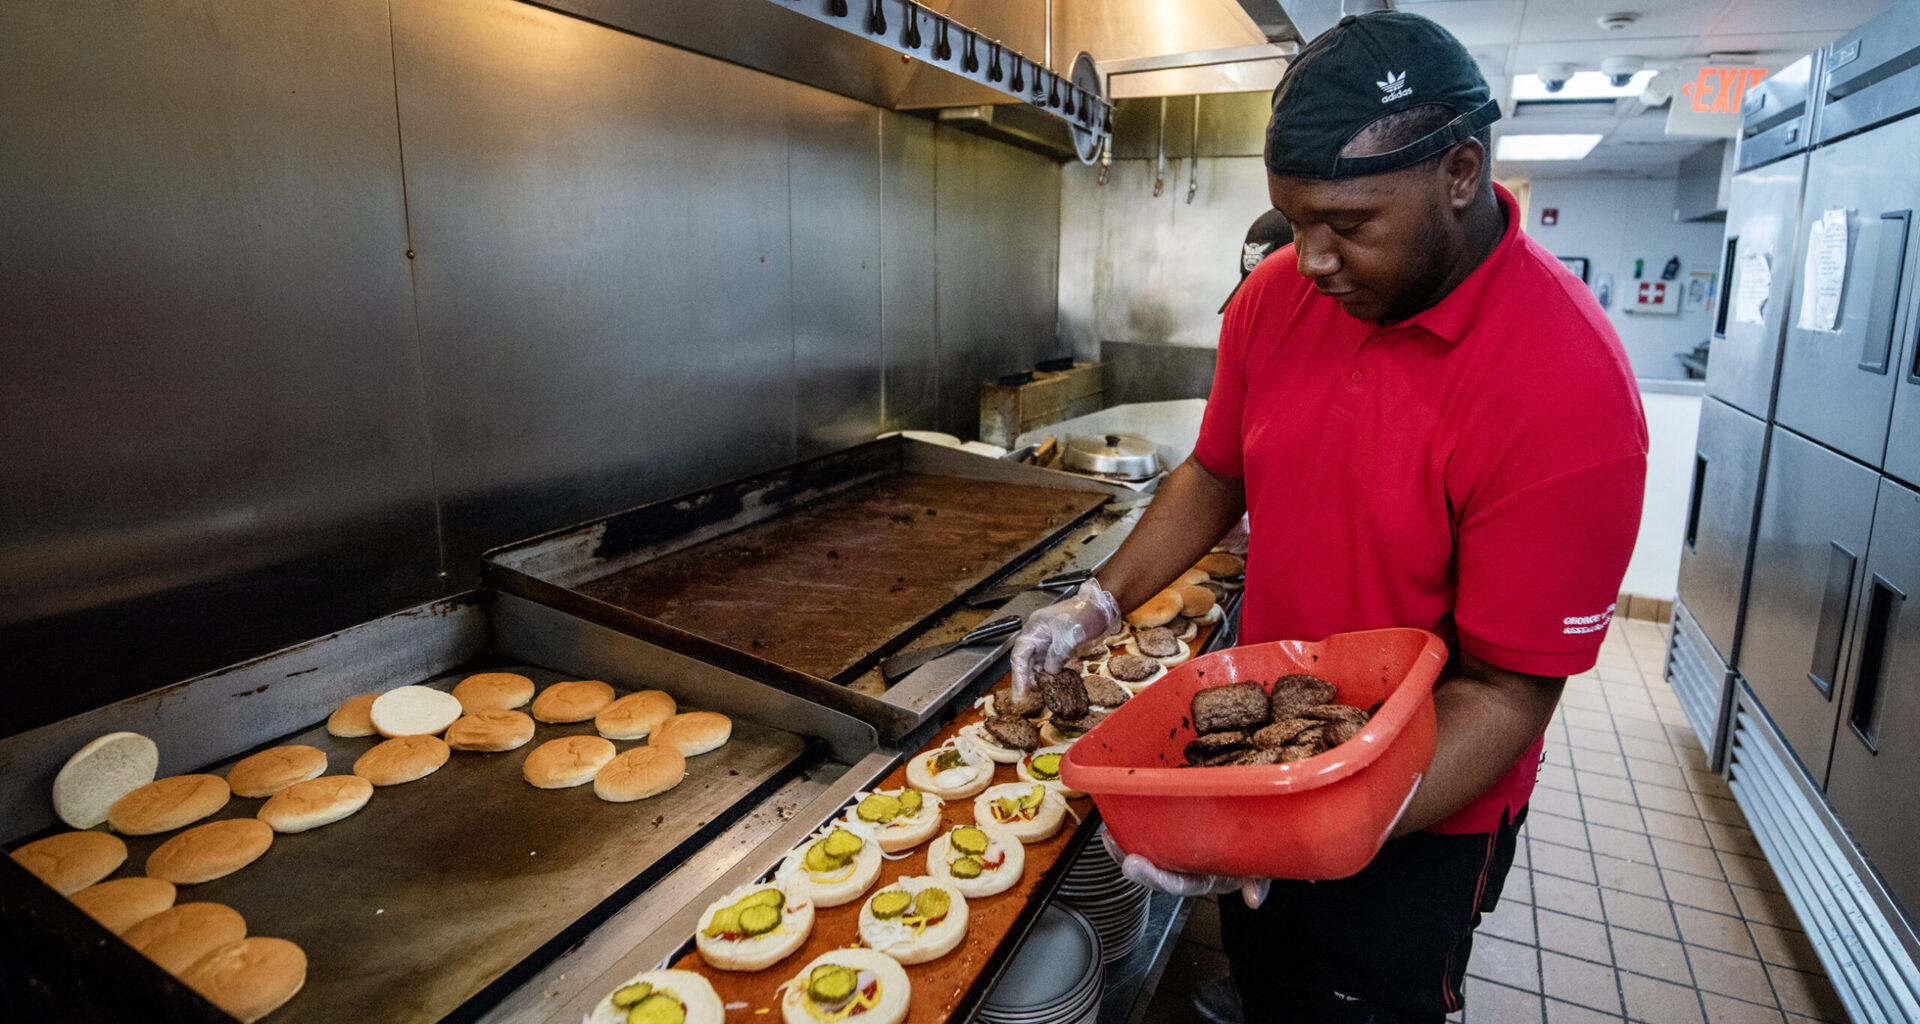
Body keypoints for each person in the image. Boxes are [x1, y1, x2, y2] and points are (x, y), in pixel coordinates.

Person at [1010, 11, 1648, 1023]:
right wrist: (1096, 603)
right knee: (1272, 983)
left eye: (1346, 226)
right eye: (1293, 221)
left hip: (1422, 810)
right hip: (1268, 751)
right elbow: (1217, 474)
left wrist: (1306, 825)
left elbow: (1507, 694)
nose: (1309, 261)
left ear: (1462, 172)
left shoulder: (1566, 388)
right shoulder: (1277, 298)